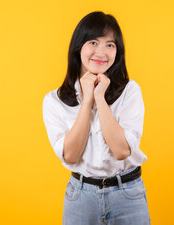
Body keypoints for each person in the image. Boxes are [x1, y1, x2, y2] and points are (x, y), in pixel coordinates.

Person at [42, 11, 150, 225]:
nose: (102, 52)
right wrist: (87, 99)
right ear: (78, 47)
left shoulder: (130, 91)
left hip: (127, 194)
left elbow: (121, 150)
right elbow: (71, 156)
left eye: (110, 45)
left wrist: (100, 97)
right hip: (81, 197)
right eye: (93, 42)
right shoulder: (54, 100)